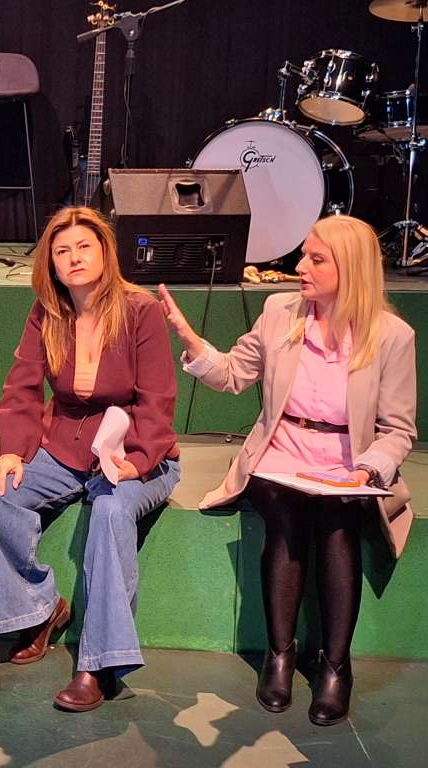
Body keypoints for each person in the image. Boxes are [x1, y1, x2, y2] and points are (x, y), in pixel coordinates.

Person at [158, 214, 416, 726]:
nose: (300, 267)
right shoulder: (280, 312)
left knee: (338, 524)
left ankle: (336, 667)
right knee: (285, 514)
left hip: (348, 461)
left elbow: (398, 431)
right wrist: (192, 341)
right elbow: (233, 374)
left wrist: (367, 472)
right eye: (304, 255)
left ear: (350, 269)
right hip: (280, 452)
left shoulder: (392, 336)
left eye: (316, 259)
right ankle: (280, 655)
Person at [0, 206, 180, 712]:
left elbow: (157, 398)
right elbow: (21, 388)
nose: (74, 258)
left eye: (84, 246)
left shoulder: (141, 310)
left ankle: (99, 663)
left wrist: (137, 462)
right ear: (51, 264)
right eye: (62, 251)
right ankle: (39, 610)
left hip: (138, 452)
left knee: (110, 510)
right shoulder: (48, 312)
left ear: (105, 252)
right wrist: (12, 451)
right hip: (65, 445)